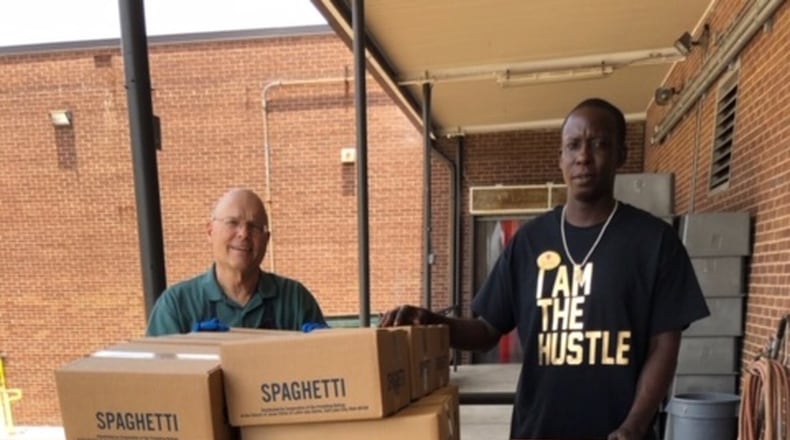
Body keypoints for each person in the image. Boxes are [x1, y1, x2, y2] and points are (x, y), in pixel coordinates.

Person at [380, 98, 709, 440]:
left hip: (618, 433)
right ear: (561, 158)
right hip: (537, 430)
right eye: (573, 145)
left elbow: (664, 346)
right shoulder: (529, 242)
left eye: (599, 144)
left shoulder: (654, 241)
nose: (583, 156)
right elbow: (486, 330)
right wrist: (432, 321)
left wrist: (635, 426)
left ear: (621, 156)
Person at [146, 188, 326, 336]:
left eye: (254, 226)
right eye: (232, 222)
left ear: (267, 238)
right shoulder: (176, 305)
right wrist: (190, 351)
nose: (244, 234)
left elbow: (329, 369)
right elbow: (155, 376)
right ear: (210, 231)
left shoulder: (295, 300)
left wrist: (329, 348)